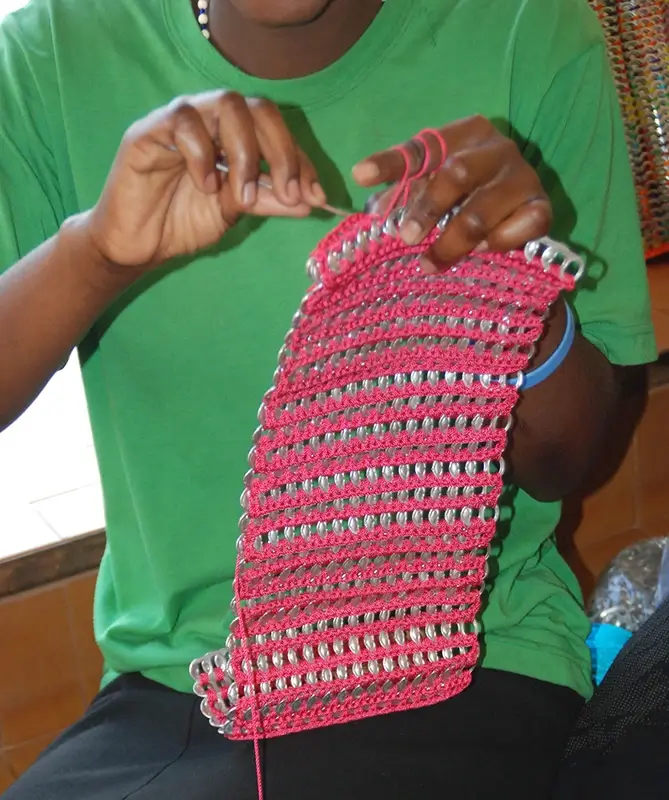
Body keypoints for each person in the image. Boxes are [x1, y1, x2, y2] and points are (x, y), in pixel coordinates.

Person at [0, 0, 656, 797]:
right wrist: (95, 252)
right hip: (176, 686)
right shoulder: (49, 58)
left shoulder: (527, 28)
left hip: (467, 658)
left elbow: (570, 460)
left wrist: (521, 297)